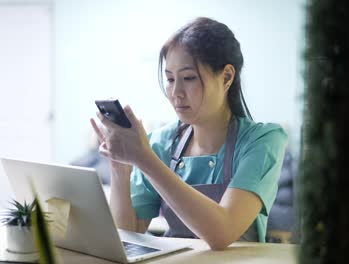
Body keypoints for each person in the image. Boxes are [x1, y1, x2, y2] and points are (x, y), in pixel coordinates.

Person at [90, 17, 287, 250]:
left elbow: (222, 232)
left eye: (189, 78)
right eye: (171, 79)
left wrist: (145, 159)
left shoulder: (262, 141)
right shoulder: (161, 142)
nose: (176, 92)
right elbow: (129, 231)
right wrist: (120, 170)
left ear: (226, 77)